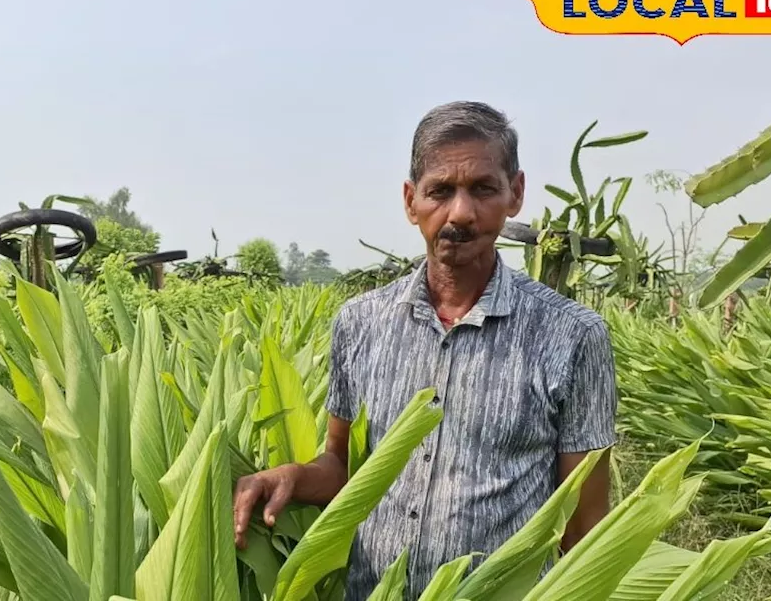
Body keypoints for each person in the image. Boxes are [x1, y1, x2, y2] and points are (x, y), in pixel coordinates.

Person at [232, 101, 617, 599]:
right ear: (411, 201)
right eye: (440, 191)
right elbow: (345, 469)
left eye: (483, 188)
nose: (460, 212)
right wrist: (291, 477)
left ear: (515, 193)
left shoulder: (574, 336)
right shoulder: (361, 323)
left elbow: (584, 526)